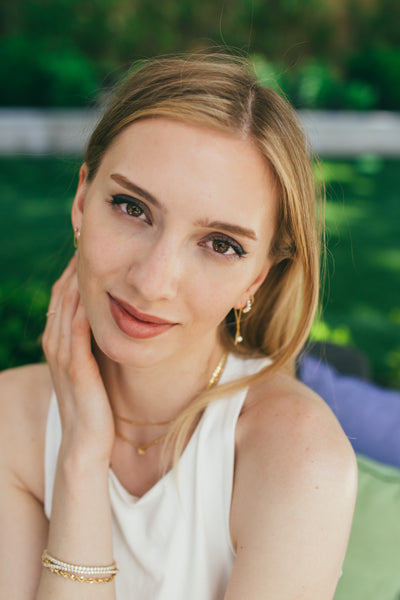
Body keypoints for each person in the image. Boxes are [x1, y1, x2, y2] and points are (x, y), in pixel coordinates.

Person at [0, 53, 357, 599]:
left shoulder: (299, 457)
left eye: (221, 245)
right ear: (80, 201)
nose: (152, 281)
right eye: (131, 207)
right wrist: (81, 457)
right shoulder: (10, 421)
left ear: (256, 279)